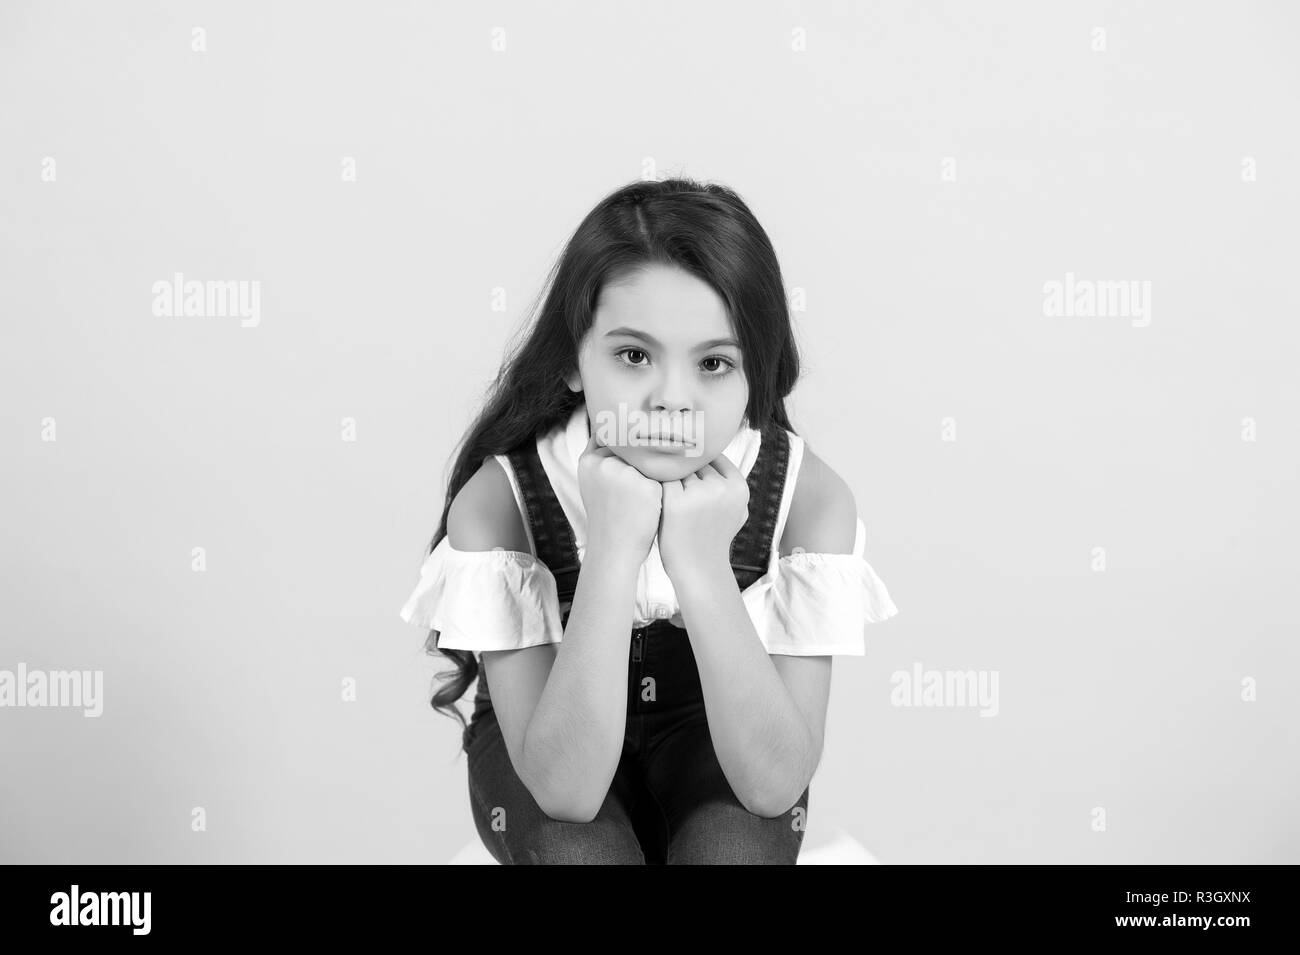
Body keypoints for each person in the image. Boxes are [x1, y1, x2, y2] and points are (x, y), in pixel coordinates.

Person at [400, 177, 899, 864]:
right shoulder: (498, 506)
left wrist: (700, 565)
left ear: (756, 374)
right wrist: (612, 550)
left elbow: (774, 781)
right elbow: (566, 790)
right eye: (634, 356)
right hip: (549, 744)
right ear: (574, 359)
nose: (671, 400)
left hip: (714, 740)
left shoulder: (809, 501)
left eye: (715, 363)